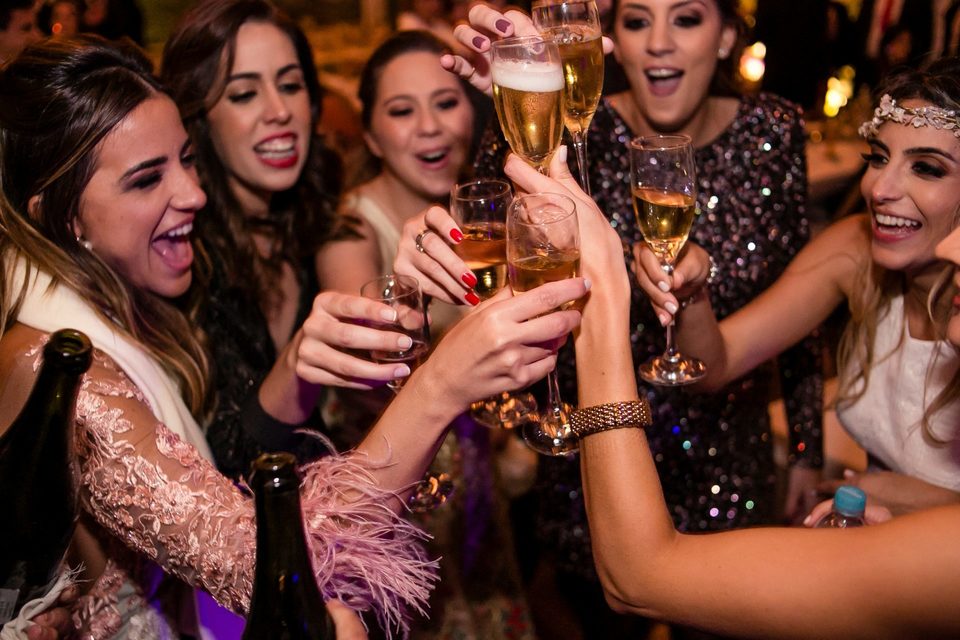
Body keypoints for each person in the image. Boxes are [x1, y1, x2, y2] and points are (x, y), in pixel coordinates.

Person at [0, 35, 588, 638]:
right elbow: (276, 568)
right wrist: (439, 385)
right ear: (61, 215)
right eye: (147, 179)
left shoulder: (130, 308)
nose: (194, 194)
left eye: (186, 160)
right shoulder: (59, 368)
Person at [438, 4, 825, 636]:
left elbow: (802, 294)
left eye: (687, 19)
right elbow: (493, 235)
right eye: (640, 22)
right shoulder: (577, 128)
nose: (660, 44)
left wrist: (807, 449)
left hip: (725, 457)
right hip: (592, 458)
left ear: (727, 36)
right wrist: (510, 110)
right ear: (612, 40)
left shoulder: (771, 130)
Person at [636, 59, 960, 513]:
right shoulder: (855, 250)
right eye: (878, 158)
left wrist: (918, 503)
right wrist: (691, 290)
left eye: (925, 168)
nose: (878, 188)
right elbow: (715, 365)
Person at [318, 31, 536, 639]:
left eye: (445, 102)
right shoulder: (350, 230)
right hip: (403, 481)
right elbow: (371, 353)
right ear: (370, 136)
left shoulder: (486, 210)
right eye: (401, 110)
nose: (430, 128)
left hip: (476, 468)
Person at [161, 0, 383, 483]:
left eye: (290, 85)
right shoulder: (179, 256)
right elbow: (221, 465)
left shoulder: (316, 224)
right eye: (244, 94)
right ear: (198, 120)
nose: (280, 111)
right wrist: (299, 365)